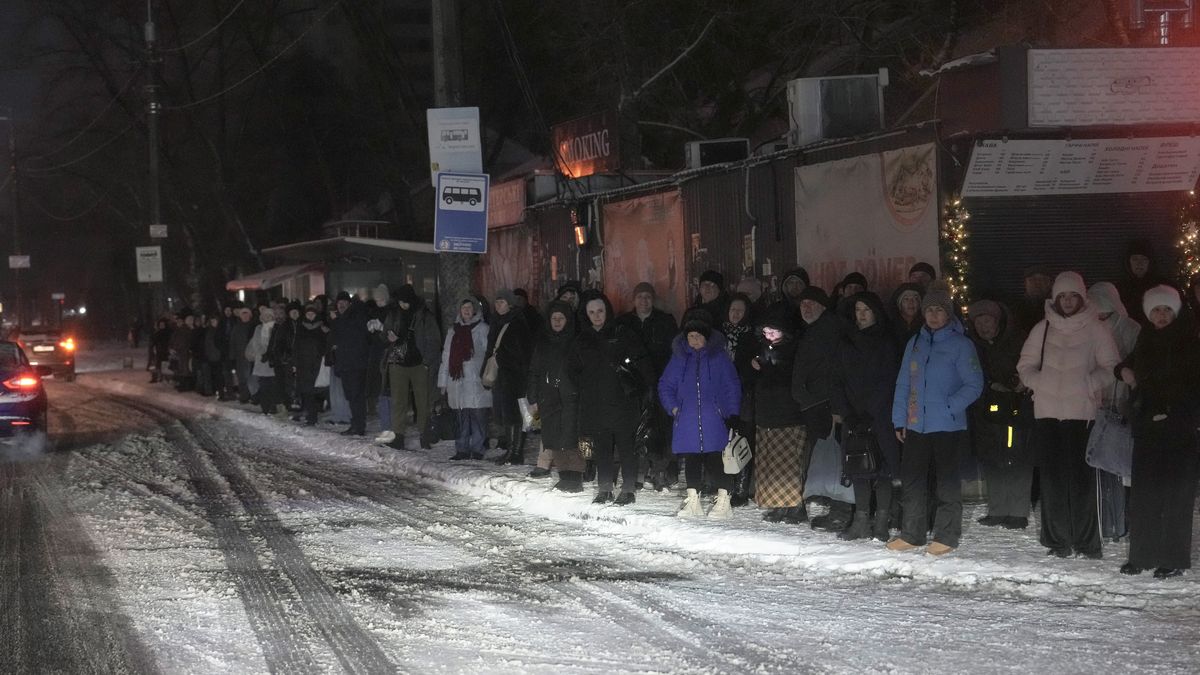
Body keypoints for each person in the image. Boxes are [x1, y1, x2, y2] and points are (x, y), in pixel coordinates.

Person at [1017, 272, 1119, 559]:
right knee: (1053, 480)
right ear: (1056, 298)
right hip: (1048, 414)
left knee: (1082, 481)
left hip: (1082, 415)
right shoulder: (1043, 328)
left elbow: (1111, 366)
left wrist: (1088, 384)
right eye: (1063, 296)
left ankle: (1087, 541)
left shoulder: (1096, 329)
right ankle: (1057, 540)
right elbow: (1025, 365)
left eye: (1073, 295)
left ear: (1081, 297)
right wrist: (1039, 382)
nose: (1068, 301)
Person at [887, 282, 983, 556]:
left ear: (949, 314)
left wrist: (950, 406)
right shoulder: (915, 343)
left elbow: (974, 384)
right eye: (928, 310)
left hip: (947, 426)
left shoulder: (961, 345)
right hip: (916, 425)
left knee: (947, 483)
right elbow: (903, 383)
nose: (932, 315)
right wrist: (899, 419)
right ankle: (912, 533)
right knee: (913, 480)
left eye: (939, 310)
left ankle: (946, 535)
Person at [1117, 285, 1200, 579]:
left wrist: (1174, 411)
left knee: (1176, 496)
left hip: (1179, 430)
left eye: (1166, 309)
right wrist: (1123, 372)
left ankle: (1173, 558)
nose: (1161, 315)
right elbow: (1128, 367)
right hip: (1148, 427)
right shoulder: (1147, 337)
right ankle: (1142, 555)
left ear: (1175, 311)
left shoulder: (1189, 341)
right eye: (1156, 310)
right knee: (1145, 495)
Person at [569, 293, 652, 505]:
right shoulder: (582, 340)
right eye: (591, 312)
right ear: (586, 315)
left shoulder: (622, 333)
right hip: (595, 404)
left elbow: (642, 364)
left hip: (623, 403)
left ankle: (628, 489)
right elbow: (573, 371)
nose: (597, 316)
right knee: (602, 448)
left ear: (607, 311)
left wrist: (640, 390)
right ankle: (604, 488)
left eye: (600, 311)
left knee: (626, 447)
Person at [831, 292, 900, 541]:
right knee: (858, 466)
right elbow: (837, 380)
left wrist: (871, 412)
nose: (861, 314)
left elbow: (888, 380)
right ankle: (861, 520)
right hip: (853, 416)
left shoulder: (886, 341)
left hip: (880, 415)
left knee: (882, 469)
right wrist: (847, 413)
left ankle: (881, 521)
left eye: (866, 309)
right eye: (858, 309)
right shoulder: (846, 341)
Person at [658, 317, 742, 519]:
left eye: (698, 336)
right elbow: (665, 385)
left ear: (707, 338)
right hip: (687, 419)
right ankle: (693, 499)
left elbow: (731, 386)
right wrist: (674, 408)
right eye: (691, 337)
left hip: (714, 418)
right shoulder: (678, 359)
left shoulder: (719, 358)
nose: (694, 340)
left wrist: (731, 413)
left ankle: (724, 500)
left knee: (717, 460)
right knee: (691, 459)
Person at [966, 299, 1033, 530]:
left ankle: (1017, 511)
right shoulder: (972, 346)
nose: (984, 326)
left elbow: (1030, 367)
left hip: (1015, 409)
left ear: (998, 321)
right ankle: (997, 509)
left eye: (988, 320)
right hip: (986, 411)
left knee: (1017, 458)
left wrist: (1019, 383)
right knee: (992, 458)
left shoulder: (1018, 340)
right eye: (979, 322)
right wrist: (990, 386)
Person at [614, 282, 679, 491]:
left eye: (648, 297)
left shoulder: (665, 321)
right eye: (640, 296)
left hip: (659, 380)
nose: (644, 301)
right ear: (634, 300)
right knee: (635, 427)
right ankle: (638, 471)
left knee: (659, 427)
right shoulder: (624, 322)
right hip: (631, 383)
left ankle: (660, 469)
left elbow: (673, 351)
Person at [792, 286, 845, 530]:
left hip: (825, 403)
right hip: (815, 403)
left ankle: (841, 511)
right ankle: (835, 507)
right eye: (803, 304)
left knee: (835, 457)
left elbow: (836, 370)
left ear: (823, 307)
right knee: (826, 457)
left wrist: (835, 405)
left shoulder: (829, 330)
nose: (806, 308)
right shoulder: (815, 329)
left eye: (811, 304)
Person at [752, 305, 805, 523]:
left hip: (789, 414)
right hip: (767, 414)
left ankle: (795, 505)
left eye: (774, 332)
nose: (769, 336)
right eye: (766, 332)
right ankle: (778, 503)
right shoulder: (763, 350)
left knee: (791, 462)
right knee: (772, 462)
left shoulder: (794, 351)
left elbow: (788, 378)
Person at [525, 301, 583, 489]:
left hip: (572, 396)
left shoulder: (576, 341)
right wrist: (532, 397)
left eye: (561, 318)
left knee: (573, 436)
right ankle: (564, 473)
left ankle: (577, 474)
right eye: (554, 318)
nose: (557, 322)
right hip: (548, 396)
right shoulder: (543, 342)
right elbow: (534, 370)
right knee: (553, 436)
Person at [379, 284, 442, 450]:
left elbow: (434, 340)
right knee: (399, 402)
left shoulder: (424, 315)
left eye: (405, 302)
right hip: (398, 363)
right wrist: (389, 338)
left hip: (419, 364)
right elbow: (384, 335)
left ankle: (424, 435)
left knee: (423, 402)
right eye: (401, 301)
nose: (403, 305)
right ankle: (398, 436)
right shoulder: (393, 313)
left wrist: (427, 362)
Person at [438, 298, 493, 461]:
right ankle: (461, 448)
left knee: (477, 415)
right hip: (457, 379)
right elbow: (446, 356)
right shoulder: (453, 331)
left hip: (476, 378)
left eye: (470, 308)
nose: (467, 311)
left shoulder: (483, 329)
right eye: (464, 308)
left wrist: (485, 374)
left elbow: (488, 353)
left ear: (475, 310)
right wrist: (443, 382)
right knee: (460, 417)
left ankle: (478, 448)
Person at [487, 289, 533, 465]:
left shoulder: (517, 323)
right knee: (507, 414)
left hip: (515, 376)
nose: (498, 305)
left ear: (510, 304)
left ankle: (516, 452)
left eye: (502, 302)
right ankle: (510, 450)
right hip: (503, 376)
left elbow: (523, 353)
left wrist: (502, 358)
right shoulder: (497, 321)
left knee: (515, 414)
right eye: (497, 302)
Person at [722, 294, 758, 506]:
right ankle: (725, 483)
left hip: (744, 394)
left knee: (742, 440)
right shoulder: (719, 336)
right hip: (722, 395)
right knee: (724, 440)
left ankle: (741, 489)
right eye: (733, 309)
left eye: (740, 310)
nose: (735, 314)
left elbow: (752, 370)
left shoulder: (752, 337)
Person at [331, 291, 372, 436]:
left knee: (356, 396)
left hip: (355, 364)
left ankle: (358, 426)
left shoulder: (354, 317)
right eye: (339, 303)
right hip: (346, 364)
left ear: (349, 304)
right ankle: (356, 424)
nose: (341, 305)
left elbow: (355, 338)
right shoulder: (341, 319)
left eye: (344, 303)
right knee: (351, 396)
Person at [293, 304, 330, 425]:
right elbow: (296, 346)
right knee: (307, 391)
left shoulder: (322, 328)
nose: (310, 316)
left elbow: (325, 344)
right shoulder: (301, 327)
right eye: (308, 314)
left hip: (317, 363)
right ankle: (311, 416)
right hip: (304, 364)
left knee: (317, 389)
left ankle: (318, 411)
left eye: (312, 314)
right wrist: (295, 362)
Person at [1117, 239, 1164, 325]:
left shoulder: (1160, 287)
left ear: (1150, 262)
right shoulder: (1120, 288)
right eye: (1135, 259)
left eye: (1144, 259)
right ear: (1128, 262)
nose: (1139, 263)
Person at [245, 304, 280, 415]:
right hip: (262, 361)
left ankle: (273, 405)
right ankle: (266, 406)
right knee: (264, 385)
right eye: (265, 316)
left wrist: (271, 353)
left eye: (269, 316)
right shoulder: (258, 328)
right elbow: (256, 343)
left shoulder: (277, 328)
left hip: (273, 361)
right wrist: (263, 352)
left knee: (274, 385)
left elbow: (278, 343)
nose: (267, 318)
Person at [228, 306, 256, 403]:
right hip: (240, 357)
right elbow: (232, 343)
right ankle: (244, 396)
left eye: (247, 314)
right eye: (243, 314)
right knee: (242, 378)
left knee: (251, 377)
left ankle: (253, 396)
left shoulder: (254, 326)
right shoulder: (237, 327)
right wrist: (232, 357)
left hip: (252, 357)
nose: (245, 316)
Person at [1015, 265, 1054, 334]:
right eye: (1032, 279)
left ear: (1050, 284)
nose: (1037, 283)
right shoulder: (1014, 309)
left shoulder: (1058, 308)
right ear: (1025, 283)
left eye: (1042, 279)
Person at [149, 317, 173, 383]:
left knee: (165, 365)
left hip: (165, 351)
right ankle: (157, 377)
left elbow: (169, 341)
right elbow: (154, 341)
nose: (161, 325)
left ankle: (165, 378)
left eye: (163, 324)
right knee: (157, 365)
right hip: (159, 351)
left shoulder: (168, 332)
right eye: (160, 324)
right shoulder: (157, 332)